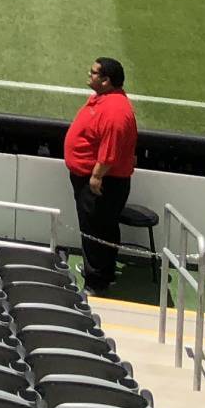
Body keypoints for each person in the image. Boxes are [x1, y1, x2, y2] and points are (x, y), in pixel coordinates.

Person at [64, 56, 139, 292]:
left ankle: (96, 283)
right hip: (97, 180)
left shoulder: (115, 110)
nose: (89, 74)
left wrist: (96, 177)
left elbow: (110, 150)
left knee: (95, 231)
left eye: (94, 73)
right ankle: (100, 273)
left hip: (101, 183)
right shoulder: (105, 100)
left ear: (106, 80)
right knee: (100, 228)